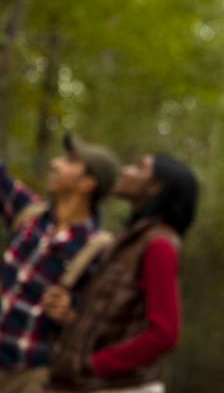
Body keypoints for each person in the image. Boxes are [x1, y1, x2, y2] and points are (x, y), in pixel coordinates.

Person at [42, 154, 199, 393]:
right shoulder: (130, 240)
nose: (125, 171)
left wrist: (95, 364)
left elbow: (166, 333)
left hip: (121, 386)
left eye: (138, 168)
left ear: (155, 187)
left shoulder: (160, 245)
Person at [0, 135, 119, 393]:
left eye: (70, 161)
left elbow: (103, 322)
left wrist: (72, 314)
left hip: (31, 377)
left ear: (87, 183)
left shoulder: (100, 250)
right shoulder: (31, 214)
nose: (55, 163)